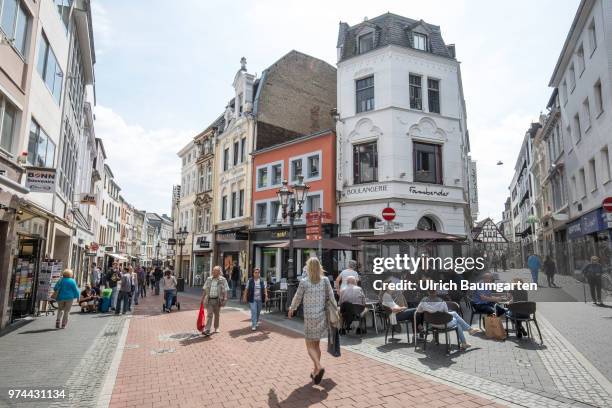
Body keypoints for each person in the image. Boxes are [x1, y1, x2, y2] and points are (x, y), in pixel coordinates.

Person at [288, 257, 336, 385]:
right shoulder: (325, 280)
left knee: (309, 345)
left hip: (309, 317)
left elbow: (297, 297)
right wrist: (335, 311)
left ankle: (318, 367)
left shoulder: (304, 282)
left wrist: (292, 308)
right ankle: (315, 371)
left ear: (308, 268)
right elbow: (331, 297)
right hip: (321, 316)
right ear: (319, 267)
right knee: (316, 345)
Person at [416, 287, 481, 350]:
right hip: (443, 324)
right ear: (436, 292)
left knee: (454, 313)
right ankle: (467, 335)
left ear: (427, 292)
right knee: (457, 322)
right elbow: (446, 314)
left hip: (431, 324)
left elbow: (418, 311)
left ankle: (466, 338)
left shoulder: (423, 300)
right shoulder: (441, 301)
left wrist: (428, 311)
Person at [201, 266, 229, 336]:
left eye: (215, 271)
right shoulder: (209, 279)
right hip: (209, 299)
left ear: (219, 272)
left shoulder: (223, 280)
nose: (213, 272)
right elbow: (205, 289)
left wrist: (225, 298)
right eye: (213, 270)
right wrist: (202, 298)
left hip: (218, 300)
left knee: (217, 315)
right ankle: (207, 329)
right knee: (209, 314)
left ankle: (216, 327)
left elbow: (225, 289)